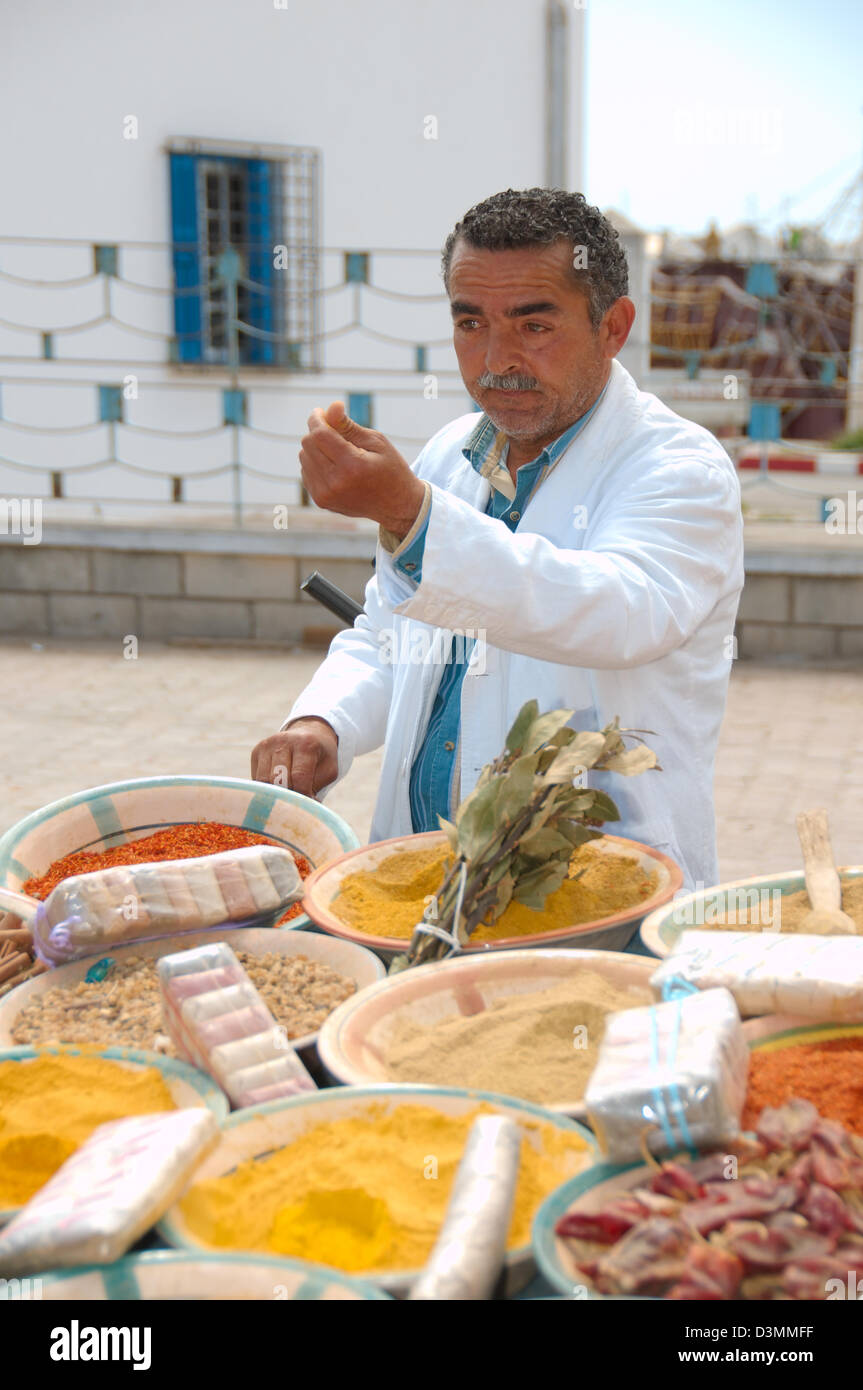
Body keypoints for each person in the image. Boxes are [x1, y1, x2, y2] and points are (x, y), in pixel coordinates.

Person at [251, 189, 744, 891]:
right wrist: (322, 724)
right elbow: (390, 632)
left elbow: (620, 613)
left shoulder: (677, 469)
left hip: (597, 890)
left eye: (532, 326)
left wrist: (411, 516)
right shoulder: (453, 453)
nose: (496, 359)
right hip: (425, 879)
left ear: (613, 326)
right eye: (470, 323)